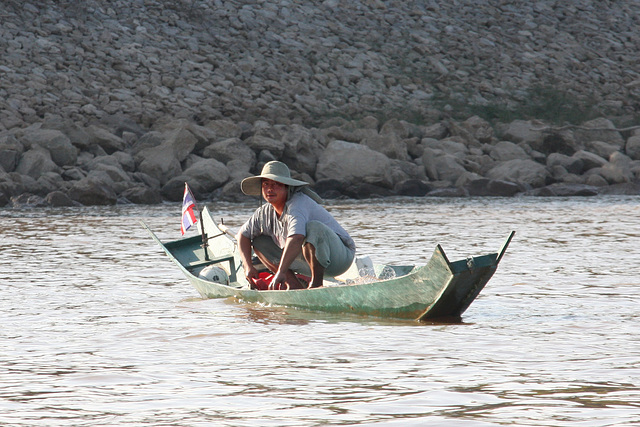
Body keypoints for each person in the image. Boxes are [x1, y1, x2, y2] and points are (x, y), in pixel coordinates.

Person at [236, 161, 356, 290]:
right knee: (259, 241)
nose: (270, 189)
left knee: (313, 227)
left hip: (339, 259)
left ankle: (316, 284)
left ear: (287, 187)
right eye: (266, 184)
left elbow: (296, 237)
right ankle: (293, 284)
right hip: (305, 262)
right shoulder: (264, 212)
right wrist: (248, 266)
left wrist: (281, 272)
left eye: (276, 184)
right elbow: (242, 235)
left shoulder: (297, 204)